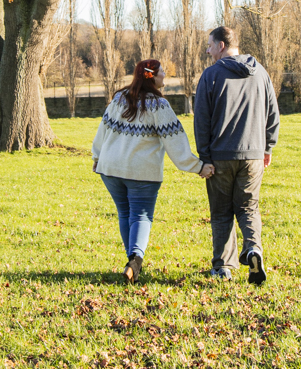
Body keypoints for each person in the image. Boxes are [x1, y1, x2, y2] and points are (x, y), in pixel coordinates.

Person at [92, 58, 214, 283]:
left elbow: (103, 130)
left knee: (125, 214)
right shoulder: (159, 105)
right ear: (152, 76)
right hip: (141, 172)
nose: (165, 75)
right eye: (161, 72)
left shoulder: (119, 98)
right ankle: (136, 261)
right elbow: (175, 141)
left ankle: (132, 264)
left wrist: (97, 156)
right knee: (140, 215)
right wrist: (198, 167)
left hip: (110, 169)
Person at [193, 26, 279, 284]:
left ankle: (223, 267)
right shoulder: (261, 72)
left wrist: (204, 157)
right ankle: (254, 249)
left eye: (209, 45)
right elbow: (273, 114)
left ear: (221, 45)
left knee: (221, 212)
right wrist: (267, 147)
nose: (207, 50)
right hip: (253, 155)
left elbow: (202, 121)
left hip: (220, 156)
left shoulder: (211, 76)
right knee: (248, 208)